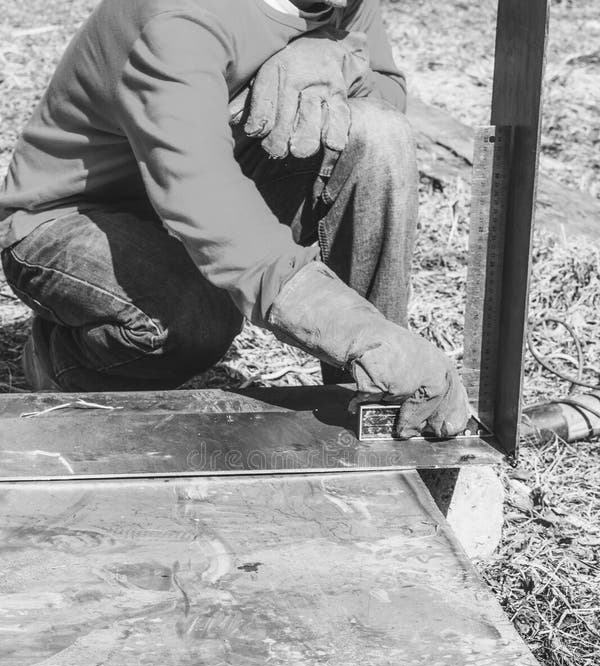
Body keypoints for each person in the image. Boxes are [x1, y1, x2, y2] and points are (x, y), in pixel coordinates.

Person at [0, 0, 469, 438]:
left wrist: (338, 60)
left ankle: (378, 400)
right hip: (72, 217)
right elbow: (210, 206)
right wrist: (361, 335)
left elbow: (387, 90)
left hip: (209, 179)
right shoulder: (180, 17)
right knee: (195, 318)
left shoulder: (344, 2)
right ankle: (62, 363)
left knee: (377, 133)